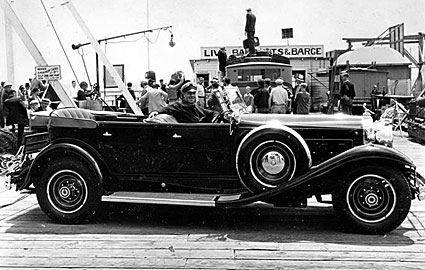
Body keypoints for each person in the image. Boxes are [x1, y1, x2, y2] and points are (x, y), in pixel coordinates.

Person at [148, 82, 215, 123]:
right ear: (183, 95)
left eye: (193, 93)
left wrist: (215, 113)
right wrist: (156, 111)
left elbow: (203, 111)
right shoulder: (179, 106)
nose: (192, 96)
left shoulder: (194, 106)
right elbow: (167, 108)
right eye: (189, 93)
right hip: (189, 134)